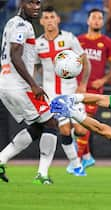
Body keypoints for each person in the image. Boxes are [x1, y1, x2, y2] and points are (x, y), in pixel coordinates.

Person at [0, 0, 58, 184]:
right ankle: (42, 174)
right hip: (19, 86)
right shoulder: (21, 25)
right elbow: (15, 54)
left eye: (38, 3)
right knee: (51, 123)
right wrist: (34, 84)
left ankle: (1, 159)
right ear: (21, 4)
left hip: (6, 83)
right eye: (31, 3)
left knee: (38, 126)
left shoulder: (11, 22)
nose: (36, 7)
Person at [35, 6, 91, 176]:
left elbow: (84, 60)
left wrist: (83, 84)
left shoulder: (69, 39)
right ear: (42, 21)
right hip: (53, 95)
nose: (50, 20)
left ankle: (78, 157)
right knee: (64, 131)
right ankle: (76, 164)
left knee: (81, 130)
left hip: (72, 91)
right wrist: (42, 81)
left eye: (52, 16)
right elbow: (35, 65)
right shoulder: (38, 44)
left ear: (58, 19)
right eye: (46, 17)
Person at [76, 8, 111, 168]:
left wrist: (103, 80)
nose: (96, 20)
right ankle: (87, 156)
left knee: (84, 121)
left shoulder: (108, 43)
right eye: (93, 17)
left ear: (103, 22)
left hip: (94, 91)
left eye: (100, 18)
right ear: (87, 21)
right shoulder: (78, 40)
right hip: (77, 89)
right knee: (77, 123)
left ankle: (77, 160)